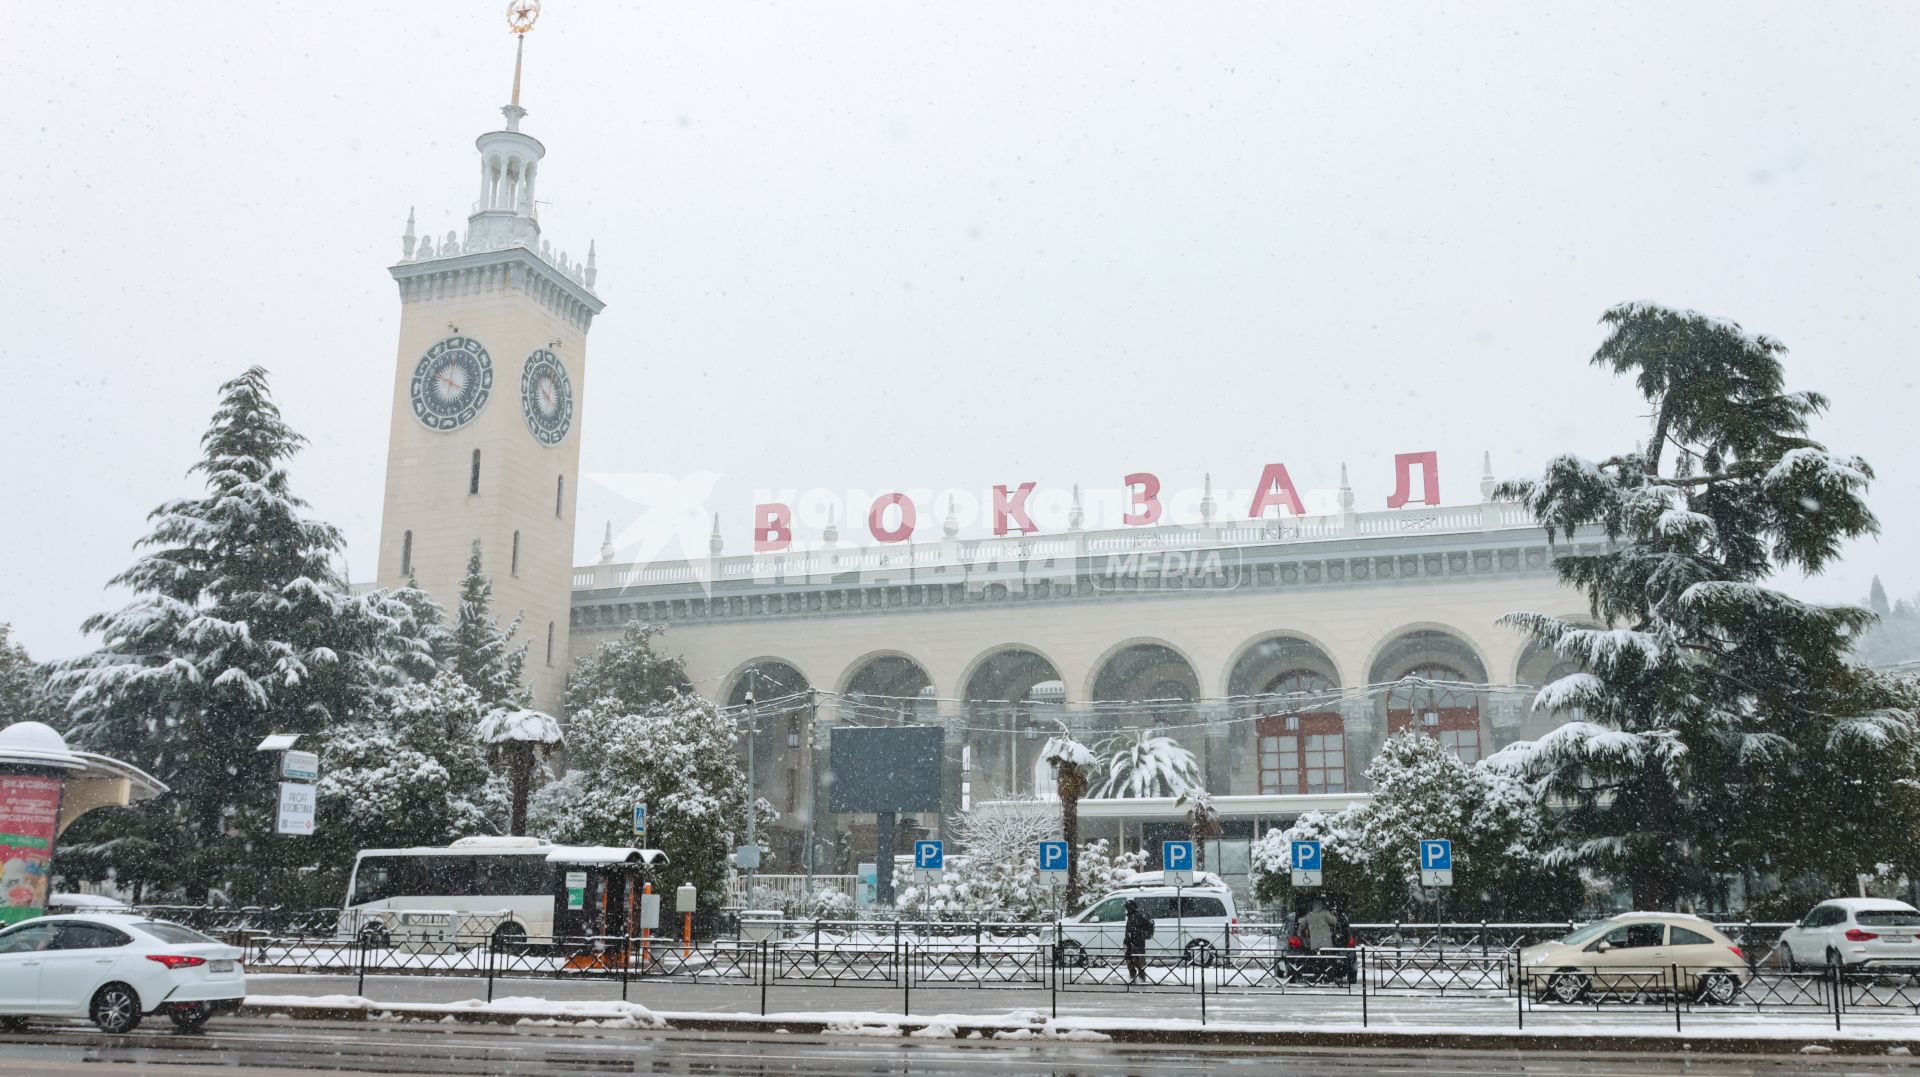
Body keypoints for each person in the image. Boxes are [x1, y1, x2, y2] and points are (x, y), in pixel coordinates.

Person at [1122, 898, 1154, 983]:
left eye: (1128, 907)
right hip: (1135, 943)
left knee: (1135, 962)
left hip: (1136, 943)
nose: (1127, 909)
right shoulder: (1134, 916)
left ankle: (1136, 978)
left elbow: (1130, 931)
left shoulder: (1137, 916)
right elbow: (1129, 931)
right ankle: (1137, 978)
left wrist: (1129, 939)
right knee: (1136, 962)